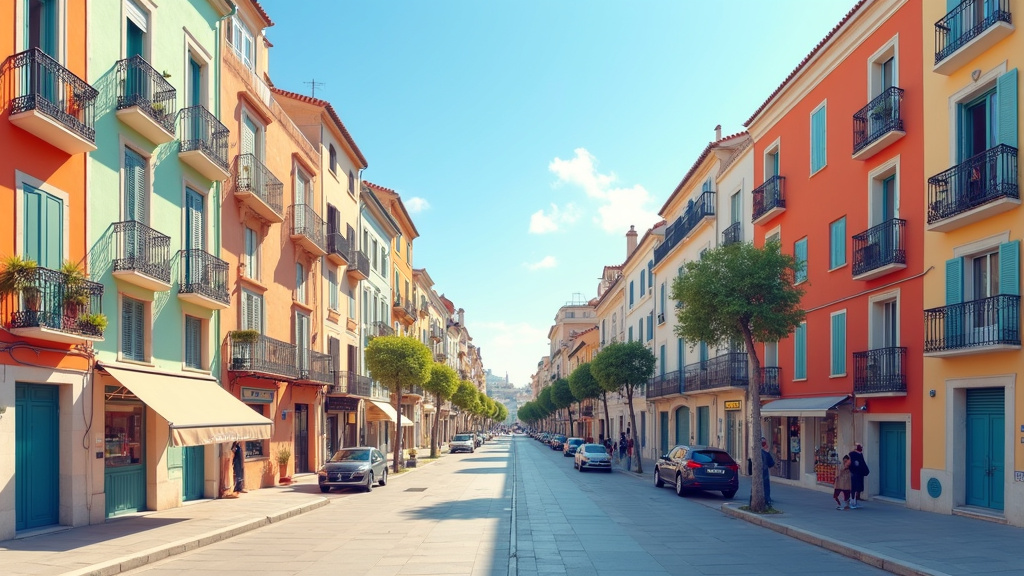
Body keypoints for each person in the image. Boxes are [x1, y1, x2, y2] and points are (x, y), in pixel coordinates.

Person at [848, 443, 869, 508]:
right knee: (855, 488)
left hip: (856, 474)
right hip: (857, 474)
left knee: (855, 488)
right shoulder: (855, 455)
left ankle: (854, 502)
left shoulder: (852, 455)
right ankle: (853, 502)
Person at [761, 437, 775, 506]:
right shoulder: (765, 453)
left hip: (760, 472)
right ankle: (767, 500)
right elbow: (771, 463)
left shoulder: (756, 453)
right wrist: (767, 452)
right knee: (766, 486)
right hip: (764, 471)